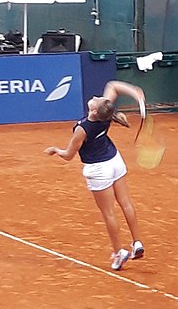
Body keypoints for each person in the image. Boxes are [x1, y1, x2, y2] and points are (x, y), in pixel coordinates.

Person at [45, 80, 145, 272]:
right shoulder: (106, 114)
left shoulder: (82, 129)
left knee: (108, 213)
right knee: (125, 203)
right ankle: (137, 242)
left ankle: (119, 252)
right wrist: (135, 92)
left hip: (99, 170)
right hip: (115, 161)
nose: (96, 97)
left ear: (94, 111)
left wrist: (55, 150)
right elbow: (113, 86)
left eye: (96, 100)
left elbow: (68, 156)